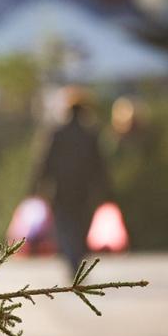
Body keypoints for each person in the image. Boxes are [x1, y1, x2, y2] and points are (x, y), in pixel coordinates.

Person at [33, 90, 112, 274]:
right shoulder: (90, 134)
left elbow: (44, 161)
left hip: (61, 188)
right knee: (81, 223)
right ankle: (76, 257)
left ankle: (72, 258)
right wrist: (105, 189)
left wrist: (36, 186)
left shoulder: (56, 133)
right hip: (84, 189)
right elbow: (100, 164)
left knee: (65, 224)